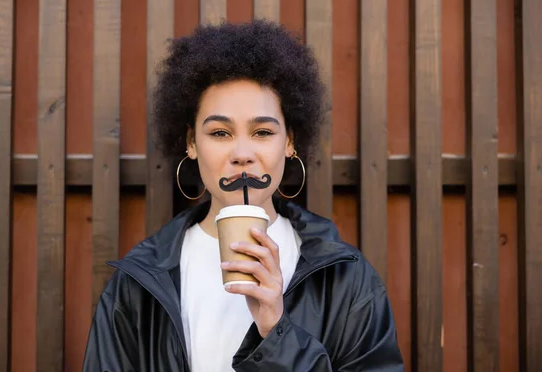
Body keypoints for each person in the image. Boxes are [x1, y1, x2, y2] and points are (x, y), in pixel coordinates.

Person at [83, 19, 404, 371]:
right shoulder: (137, 284)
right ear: (191, 143)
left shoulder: (347, 279)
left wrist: (275, 330)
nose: (241, 153)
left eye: (262, 131)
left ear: (290, 141)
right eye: (220, 133)